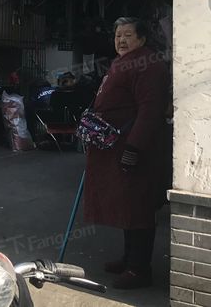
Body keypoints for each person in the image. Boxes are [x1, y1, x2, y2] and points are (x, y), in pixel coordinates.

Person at [82, 17, 170, 290]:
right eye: (118, 35)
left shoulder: (148, 64)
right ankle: (129, 259)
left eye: (128, 35)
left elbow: (150, 109)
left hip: (135, 150)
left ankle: (139, 269)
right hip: (114, 147)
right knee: (126, 206)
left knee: (139, 208)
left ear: (141, 39)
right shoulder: (124, 61)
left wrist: (134, 148)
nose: (121, 40)